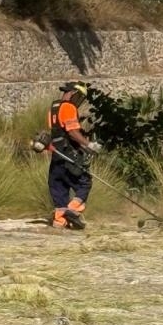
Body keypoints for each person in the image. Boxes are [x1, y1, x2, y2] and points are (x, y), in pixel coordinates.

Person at [47, 81, 102, 230]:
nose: (80, 101)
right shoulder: (69, 107)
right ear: (73, 94)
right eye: (80, 97)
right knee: (84, 182)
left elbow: (59, 132)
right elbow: (72, 132)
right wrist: (88, 145)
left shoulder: (54, 108)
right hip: (69, 155)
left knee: (59, 187)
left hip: (56, 155)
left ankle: (60, 222)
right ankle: (72, 211)